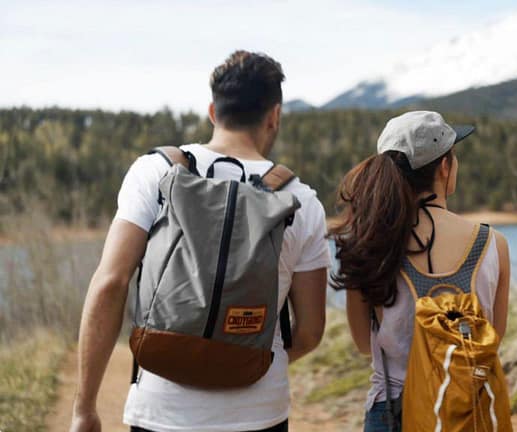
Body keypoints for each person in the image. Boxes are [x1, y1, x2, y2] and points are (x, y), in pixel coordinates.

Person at [69, 50, 331, 432]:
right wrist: (241, 358)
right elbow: (310, 332)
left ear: (213, 111)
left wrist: (85, 406)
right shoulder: (300, 200)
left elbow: (111, 283)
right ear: (274, 116)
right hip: (259, 413)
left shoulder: (155, 172)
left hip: (162, 411)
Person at [330, 111, 511, 431]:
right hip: (467, 411)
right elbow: (493, 338)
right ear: (445, 166)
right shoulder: (494, 244)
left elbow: (362, 343)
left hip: (393, 413)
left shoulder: (370, 245)